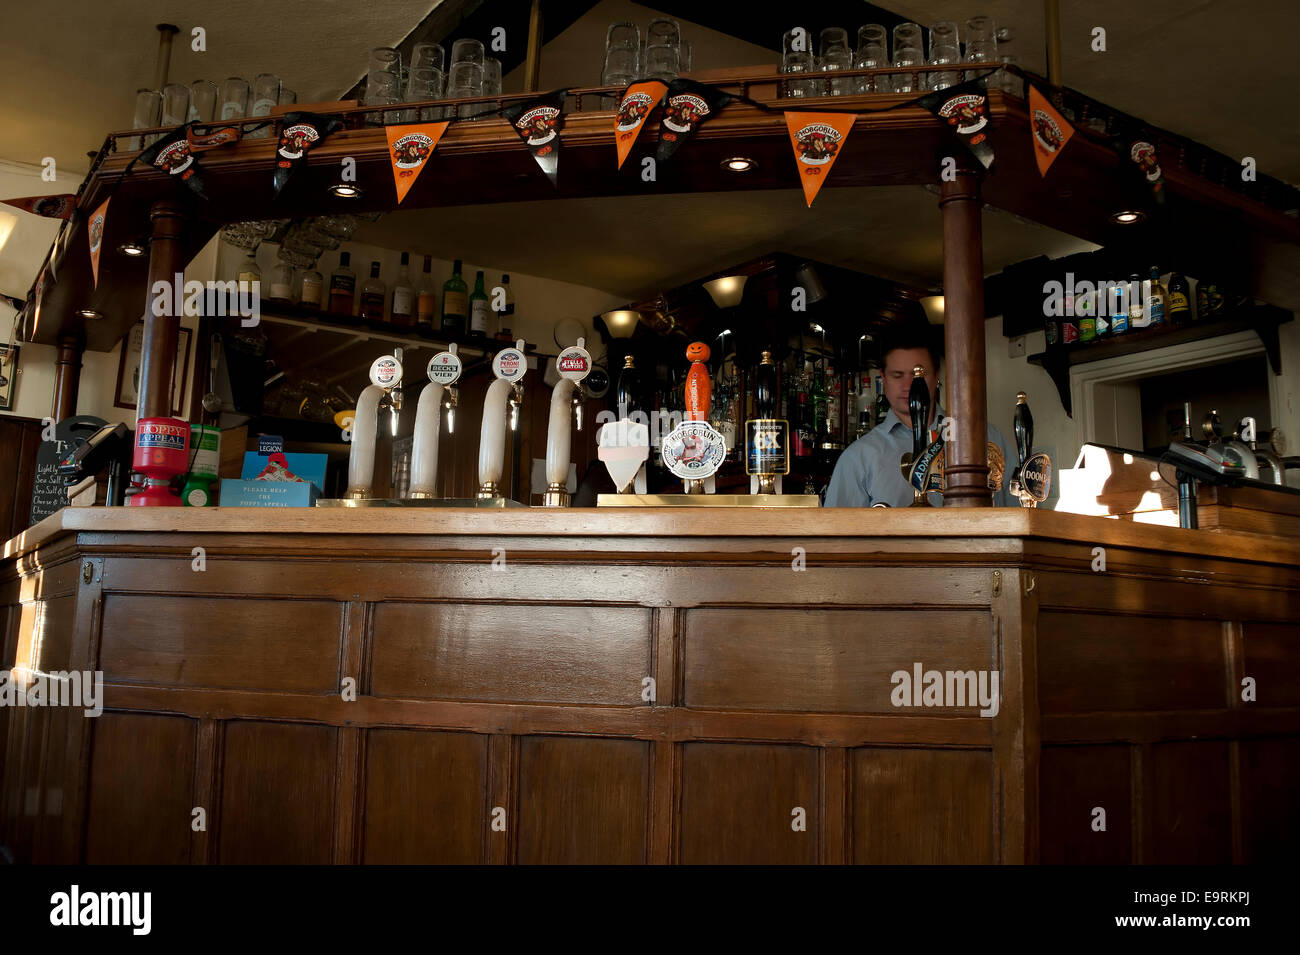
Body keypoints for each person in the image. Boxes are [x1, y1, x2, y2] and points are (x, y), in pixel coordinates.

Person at [825, 321, 1013, 507]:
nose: (909, 386)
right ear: (883, 378)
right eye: (897, 375)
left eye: (919, 375)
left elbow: (1020, 518)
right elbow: (835, 535)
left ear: (937, 374)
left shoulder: (985, 438)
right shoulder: (859, 457)